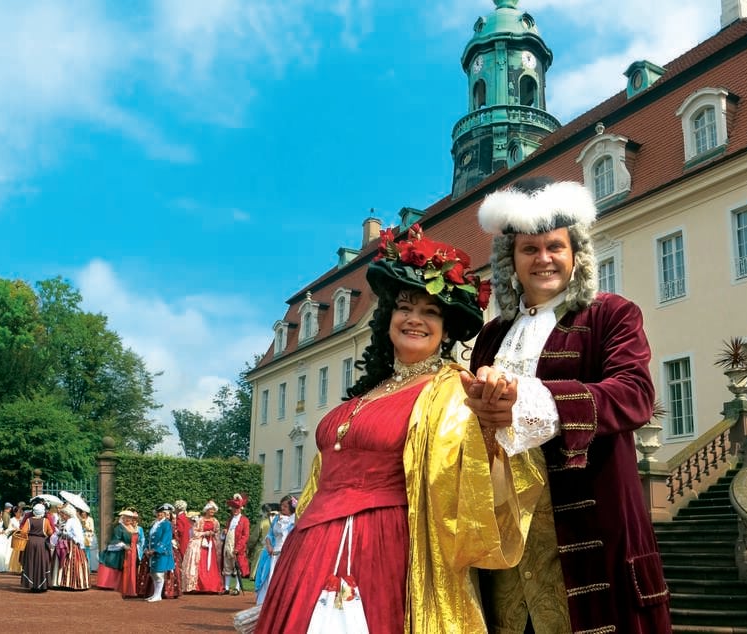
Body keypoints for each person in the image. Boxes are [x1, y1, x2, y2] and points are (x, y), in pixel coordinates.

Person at [257, 225, 535, 633]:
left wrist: (492, 429)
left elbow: (475, 477)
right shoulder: (369, 392)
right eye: (405, 307)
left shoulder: (454, 390)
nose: (415, 319)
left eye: (430, 312)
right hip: (308, 548)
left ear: (447, 329)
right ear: (388, 317)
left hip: (382, 548)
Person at [463, 177, 672, 633]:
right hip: (506, 548)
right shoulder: (492, 336)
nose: (543, 259)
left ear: (575, 253)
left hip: (591, 529)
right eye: (528, 249)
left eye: (554, 246)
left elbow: (635, 393)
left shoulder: (611, 314)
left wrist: (534, 401)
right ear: (510, 262)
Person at [254, 494, 296, 605]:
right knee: (268, 577)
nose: (282, 508)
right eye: (281, 505)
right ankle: (264, 604)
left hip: (287, 555)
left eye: (285, 506)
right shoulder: (277, 518)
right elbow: (269, 535)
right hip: (273, 554)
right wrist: (268, 546)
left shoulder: (296, 520)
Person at [181, 500, 223, 594]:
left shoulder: (215, 521)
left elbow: (217, 532)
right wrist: (205, 533)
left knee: (211, 565)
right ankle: (198, 586)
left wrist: (213, 535)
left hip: (211, 546)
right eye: (210, 510)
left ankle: (211, 587)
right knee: (199, 564)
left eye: (213, 510)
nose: (212, 512)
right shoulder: (200, 520)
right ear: (207, 510)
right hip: (201, 545)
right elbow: (195, 532)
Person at [50, 504, 89, 590]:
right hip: (65, 543)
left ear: (68, 514)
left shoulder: (73, 521)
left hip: (72, 545)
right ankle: (63, 582)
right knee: (62, 561)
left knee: (68, 561)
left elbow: (77, 535)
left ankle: (69, 582)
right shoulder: (68, 521)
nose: (62, 516)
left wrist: (65, 532)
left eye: (64, 514)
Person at [143, 503, 176, 602]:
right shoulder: (154, 523)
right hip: (152, 553)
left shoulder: (166, 524)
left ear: (165, 514)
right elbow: (149, 537)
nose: (159, 514)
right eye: (158, 513)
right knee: (153, 573)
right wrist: (146, 549)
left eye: (161, 513)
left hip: (161, 553)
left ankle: (158, 595)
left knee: (159, 573)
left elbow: (166, 539)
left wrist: (156, 550)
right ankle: (155, 594)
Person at [19, 503, 54, 592]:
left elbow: (23, 532)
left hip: (30, 543)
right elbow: (50, 532)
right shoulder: (45, 521)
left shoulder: (29, 520)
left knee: (31, 562)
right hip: (41, 543)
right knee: (41, 563)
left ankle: (32, 584)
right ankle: (41, 585)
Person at [220, 493, 250, 596]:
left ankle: (237, 588)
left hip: (237, 547)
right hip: (228, 545)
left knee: (238, 567)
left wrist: (238, 548)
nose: (235, 510)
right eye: (233, 508)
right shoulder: (230, 520)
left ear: (241, 508)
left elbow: (245, 536)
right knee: (227, 566)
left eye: (237, 508)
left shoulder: (244, 520)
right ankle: (227, 588)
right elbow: (228, 532)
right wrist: (224, 532)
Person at [247, 503, 272, 581]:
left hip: (262, 549)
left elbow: (254, 538)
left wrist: (249, 547)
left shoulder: (262, 522)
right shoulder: (279, 522)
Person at [6, 505, 26, 574]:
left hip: (22, 537)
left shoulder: (23, 519)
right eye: (18, 512)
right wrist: (15, 529)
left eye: (20, 512)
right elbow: (9, 528)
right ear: (15, 513)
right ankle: (15, 568)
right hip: (15, 537)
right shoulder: (12, 520)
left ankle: (20, 568)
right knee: (15, 552)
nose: (19, 514)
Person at [78, 509, 97, 573]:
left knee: (87, 553)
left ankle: (88, 568)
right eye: (82, 512)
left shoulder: (90, 519)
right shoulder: (79, 519)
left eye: (84, 512)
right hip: (80, 537)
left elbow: (92, 529)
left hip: (87, 538)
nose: (83, 513)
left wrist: (85, 525)